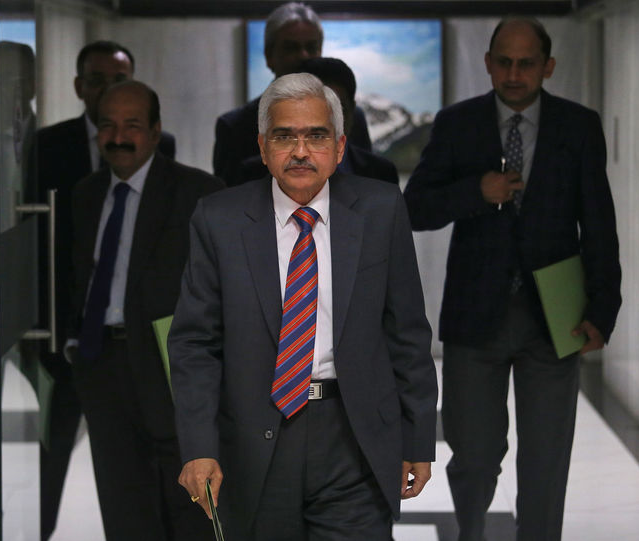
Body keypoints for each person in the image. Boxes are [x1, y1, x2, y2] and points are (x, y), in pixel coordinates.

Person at [169, 73, 438, 540]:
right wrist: (198, 447)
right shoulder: (219, 219)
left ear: (338, 147)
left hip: (352, 433)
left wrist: (417, 438)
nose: (300, 151)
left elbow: (407, 331)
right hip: (256, 437)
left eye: (316, 136)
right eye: (284, 136)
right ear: (262, 145)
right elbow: (194, 343)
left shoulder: (380, 209)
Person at [403, 17, 622, 541]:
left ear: (548, 66)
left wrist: (602, 310)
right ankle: (471, 533)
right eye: (504, 61)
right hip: (474, 318)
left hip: (557, 316)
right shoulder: (458, 124)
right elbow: (414, 208)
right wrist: (475, 193)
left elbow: (599, 223)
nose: (514, 74)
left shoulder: (578, 126)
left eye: (527, 63)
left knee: (547, 461)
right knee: (474, 456)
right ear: (488, 63)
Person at [66, 80, 222, 540]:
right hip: (103, 367)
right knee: (123, 504)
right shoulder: (84, 194)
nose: (119, 136)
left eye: (132, 125)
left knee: (191, 506)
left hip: (174, 368)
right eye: (108, 125)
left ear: (155, 132)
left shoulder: (199, 193)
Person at [35, 40, 177, 539]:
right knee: (93, 476)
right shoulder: (67, 171)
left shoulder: (182, 174)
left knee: (164, 484)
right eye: (98, 81)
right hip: (80, 347)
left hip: (149, 353)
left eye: (132, 124)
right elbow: (56, 255)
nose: (118, 136)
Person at [212, 2, 372, 187]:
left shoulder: (350, 115)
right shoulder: (236, 126)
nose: (304, 56)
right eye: (291, 48)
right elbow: (228, 201)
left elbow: (365, 178)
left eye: (311, 48)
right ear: (269, 56)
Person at [238, 57, 399, 185]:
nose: (325, 123)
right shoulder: (251, 174)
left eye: (339, 109)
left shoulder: (381, 173)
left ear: (352, 111)